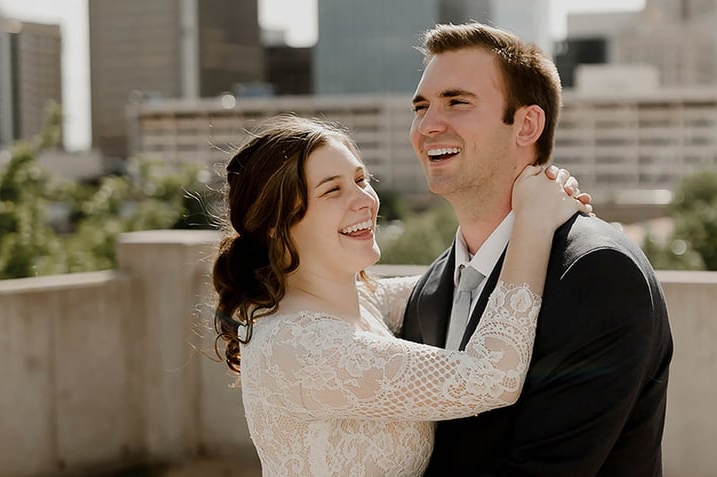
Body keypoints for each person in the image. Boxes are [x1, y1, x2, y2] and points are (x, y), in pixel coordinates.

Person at [211, 115, 591, 476]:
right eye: (332, 190)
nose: (363, 200)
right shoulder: (301, 346)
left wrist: (528, 211)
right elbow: (493, 376)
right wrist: (533, 223)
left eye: (361, 179)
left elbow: (462, 281)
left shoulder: (359, 301)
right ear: (276, 225)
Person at [402, 23, 674, 476]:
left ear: (526, 124)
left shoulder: (599, 273)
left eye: (456, 102)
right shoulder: (429, 288)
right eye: (421, 106)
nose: (428, 125)